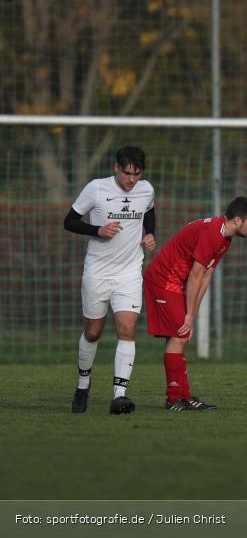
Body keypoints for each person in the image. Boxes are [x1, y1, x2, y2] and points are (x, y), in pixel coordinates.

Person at [143, 197, 247, 411]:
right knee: (179, 335)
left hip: (177, 282)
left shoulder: (225, 238)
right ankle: (174, 398)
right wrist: (188, 315)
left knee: (182, 335)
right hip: (163, 279)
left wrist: (192, 314)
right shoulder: (212, 234)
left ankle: (183, 396)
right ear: (236, 220)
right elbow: (196, 274)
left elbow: (206, 275)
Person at [65, 146, 155, 415]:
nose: (131, 180)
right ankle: (83, 385)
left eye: (136, 174)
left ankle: (119, 396)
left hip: (129, 273)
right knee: (92, 332)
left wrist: (149, 233)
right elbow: (69, 221)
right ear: (116, 167)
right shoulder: (96, 188)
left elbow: (148, 210)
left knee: (127, 329)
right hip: (97, 272)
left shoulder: (146, 189)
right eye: (127, 173)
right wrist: (98, 230)